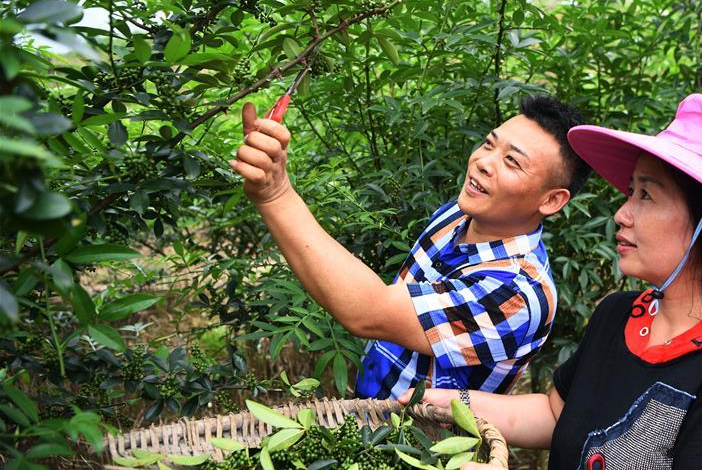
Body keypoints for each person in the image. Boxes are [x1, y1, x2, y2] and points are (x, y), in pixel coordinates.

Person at [401, 93, 702, 470]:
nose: (621, 213)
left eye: (646, 196)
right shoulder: (622, 316)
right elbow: (558, 412)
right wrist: (455, 404)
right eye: (629, 193)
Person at [230, 96, 590, 400]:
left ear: (552, 200)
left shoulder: (517, 293)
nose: (483, 161)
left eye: (512, 161)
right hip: (371, 409)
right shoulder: (457, 215)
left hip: (423, 456)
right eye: (489, 144)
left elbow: (370, 313)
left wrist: (275, 194)